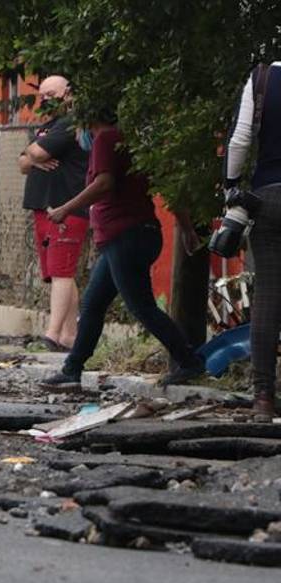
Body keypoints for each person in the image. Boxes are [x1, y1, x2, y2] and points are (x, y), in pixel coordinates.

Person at [41, 113, 205, 390]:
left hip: (125, 235)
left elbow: (104, 183)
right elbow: (164, 185)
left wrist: (65, 209)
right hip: (133, 235)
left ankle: (189, 361)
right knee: (93, 304)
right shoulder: (131, 141)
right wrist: (187, 228)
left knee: (141, 306)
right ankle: (72, 370)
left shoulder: (105, 138)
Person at [225, 61, 281, 419]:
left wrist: (231, 186)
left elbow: (241, 138)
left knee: (268, 296)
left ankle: (263, 397)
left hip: (270, 197)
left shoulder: (263, 78)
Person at [18, 76, 90, 351]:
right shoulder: (49, 126)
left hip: (65, 207)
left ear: (68, 93)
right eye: (43, 94)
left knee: (62, 271)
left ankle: (52, 333)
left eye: (52, 93)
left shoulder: (70, 124)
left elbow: (35, 153)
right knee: (57, 273)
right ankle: (69, 335)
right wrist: (33, 156)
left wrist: (35, 155)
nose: (46, 99)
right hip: (44, 206)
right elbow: (24, 162)